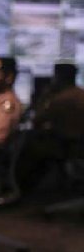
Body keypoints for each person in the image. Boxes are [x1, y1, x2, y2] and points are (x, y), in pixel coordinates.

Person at [17, 62, 84, 190]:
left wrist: (44, 96)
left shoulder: (60, 100)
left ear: (58, 77)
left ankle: (25, 189)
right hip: (78, 144)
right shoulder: (81, 94)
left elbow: (37, 120)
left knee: (27, 145)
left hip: (66, 145)